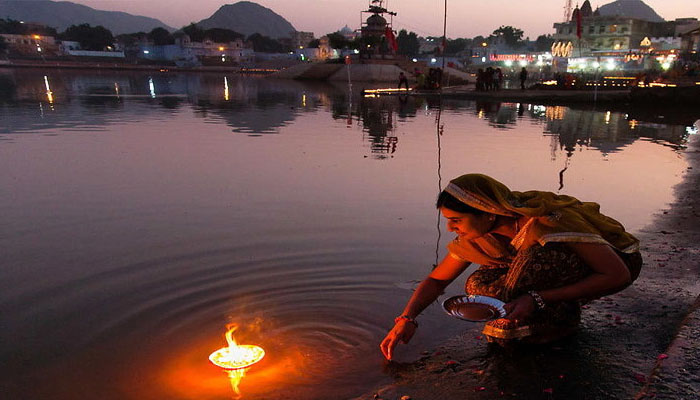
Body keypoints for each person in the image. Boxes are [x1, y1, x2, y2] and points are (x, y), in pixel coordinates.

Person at [380, 174, 642, 360]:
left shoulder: (549, 223)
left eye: (457, 220)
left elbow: (617, 274)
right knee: (478, 285)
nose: (450, 228)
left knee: (527, 271)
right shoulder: (481, 236)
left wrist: (538, 297)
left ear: (488, 212)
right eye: (448, 220)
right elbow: (438, 281)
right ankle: (540, 314)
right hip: (547, 268)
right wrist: (406, 318)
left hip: (616, 262)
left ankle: (558, 321)